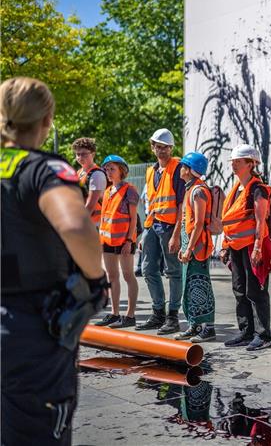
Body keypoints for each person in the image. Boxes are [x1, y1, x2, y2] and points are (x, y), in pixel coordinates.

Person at [1, 77, 107, 445]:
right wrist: (95, 281)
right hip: (31, 329)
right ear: (47, 119)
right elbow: (77, 227)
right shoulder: (43, 169)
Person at [220, 144, 271, 351]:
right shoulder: (236, 189)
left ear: (251, 164)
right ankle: (246, 331)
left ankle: (263, 334)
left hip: (252, 247)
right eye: (233, 161)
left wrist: (258, 247)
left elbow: (261, 220)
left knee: (255, 291)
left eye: (238, 161)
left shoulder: (258, 189)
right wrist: (225, 246)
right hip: (236, 247)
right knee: (240, 290)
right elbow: (231, 219)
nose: (233, 164)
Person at [137, 128, 185, 335]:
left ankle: (172, 316)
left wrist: (176, 234)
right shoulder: (151, 171)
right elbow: (150, 202)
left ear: (171, 148)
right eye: (158, 146)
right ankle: (158, 313)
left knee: (173, 271)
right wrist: (145, 231)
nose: (162, 150)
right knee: (148, 269)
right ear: (153, 147)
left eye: (165, 147)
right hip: (153, 225)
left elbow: (181, 204)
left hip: (169, 226)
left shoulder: (178, 168)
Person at [175, 152, 217, 343]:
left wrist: (189, 248)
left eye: (184, 165)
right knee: (190, 286)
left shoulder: (199, 191)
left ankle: (209, 327)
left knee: (201, 285)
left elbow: (199, 223)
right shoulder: (190, 188)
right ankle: (194, 324)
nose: (180, 168)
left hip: (198, 247)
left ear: (191, 170)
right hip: (190, 245)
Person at [94, 155, 139, 329]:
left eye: (112, 168)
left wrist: (129, 240)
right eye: (106, 169)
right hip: (107, 240)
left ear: (122, 170)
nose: (108, 172)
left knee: (128, 275)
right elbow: (104, 218)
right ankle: (114, 313)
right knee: (111, 276)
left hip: (124, 241)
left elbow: (133, 219)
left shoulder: (130, 190)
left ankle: (130, 315)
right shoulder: (107, 192)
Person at [72, 137, 107, 227]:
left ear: (93, 154)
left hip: (95, 224)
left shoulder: (96, 174)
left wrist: (79, 222)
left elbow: (91, 203)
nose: (80, 157)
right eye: (78, 154)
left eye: (84, 154)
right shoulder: (79, 172)